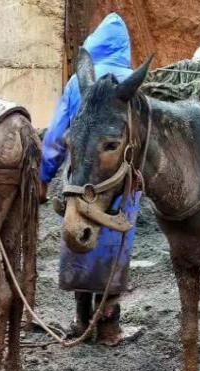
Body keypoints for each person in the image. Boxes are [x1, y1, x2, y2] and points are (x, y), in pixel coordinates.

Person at [40, 13, 142, 345]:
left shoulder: (78, 84)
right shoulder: (132, 84)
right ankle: (109, 326)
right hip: (122, 181)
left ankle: (81, 320)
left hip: (81, 178)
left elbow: (56, 136)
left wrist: (44, 175)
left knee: (78, 237)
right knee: (114, 245)